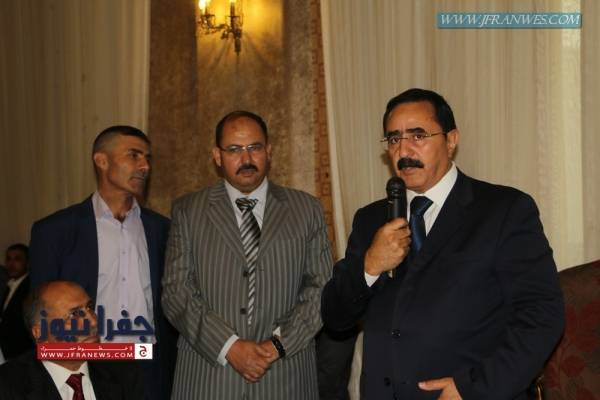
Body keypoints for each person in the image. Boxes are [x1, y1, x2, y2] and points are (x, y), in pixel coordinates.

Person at [321, 88, 565, 399]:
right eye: (394, 139)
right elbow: (336, 319)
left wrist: (472, 389)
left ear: (451, 140)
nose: (403, 150)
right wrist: (369, 266)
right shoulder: (370, 219)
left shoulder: (504, 210)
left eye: (418, 135)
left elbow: (542, 315)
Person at [162, 110, 332, 400]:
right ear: (217, 156)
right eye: (234, 149)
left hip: (285, 377)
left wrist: (276, 346)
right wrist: (229, 346)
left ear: (269, 151)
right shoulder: (188, 211)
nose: (246, 158)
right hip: (209, 380)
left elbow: (321, 288)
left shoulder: (306, 209)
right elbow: (176, 292)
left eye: (255, 147)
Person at [29, 126, 177, 400]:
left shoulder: (162, 229)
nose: (145, 166)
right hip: (86, 366)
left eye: (147, 158)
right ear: (101, 160)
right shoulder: (55, 231)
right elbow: (40, 312)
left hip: (150, 366)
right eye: (134, 155)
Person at [0, 280, 143, 399]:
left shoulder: (124, 372)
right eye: (74, 314)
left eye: (89, 308)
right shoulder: (9, 385)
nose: (93, 322)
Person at [0, 244, 35, 359]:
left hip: (22, 352)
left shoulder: (30, 286)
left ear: (27, 263)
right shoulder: (10, 285)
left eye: (17, 259)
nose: (11, 264)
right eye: (8, 259)